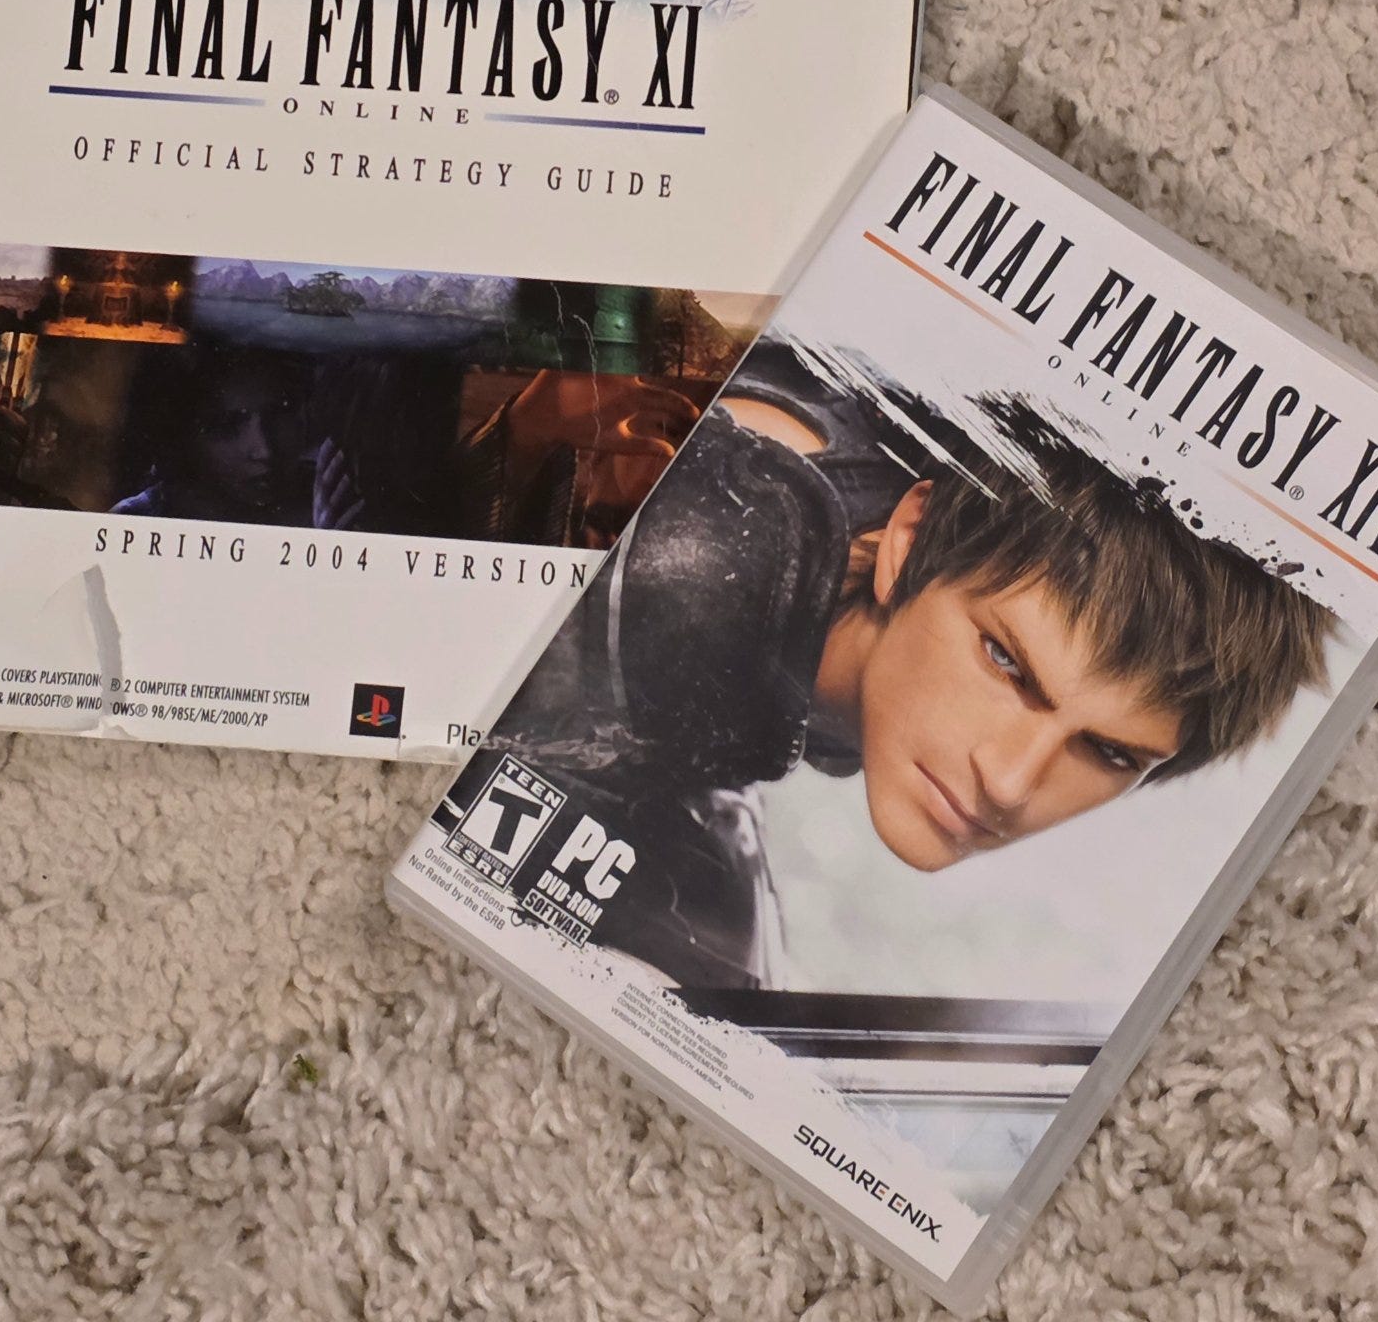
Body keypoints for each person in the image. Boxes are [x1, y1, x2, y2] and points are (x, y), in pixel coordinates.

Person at [466, 343, 1332, 987]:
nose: (1009, 782)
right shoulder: (708, 541)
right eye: (1006, 662)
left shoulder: (917, 519)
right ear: (908, 541)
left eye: (1108, 752)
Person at [112, 345, 358, 530]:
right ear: (187, 436)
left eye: (280, 414)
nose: (264, 451)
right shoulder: (133, 522)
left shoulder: (337, 499)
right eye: (227, 426)